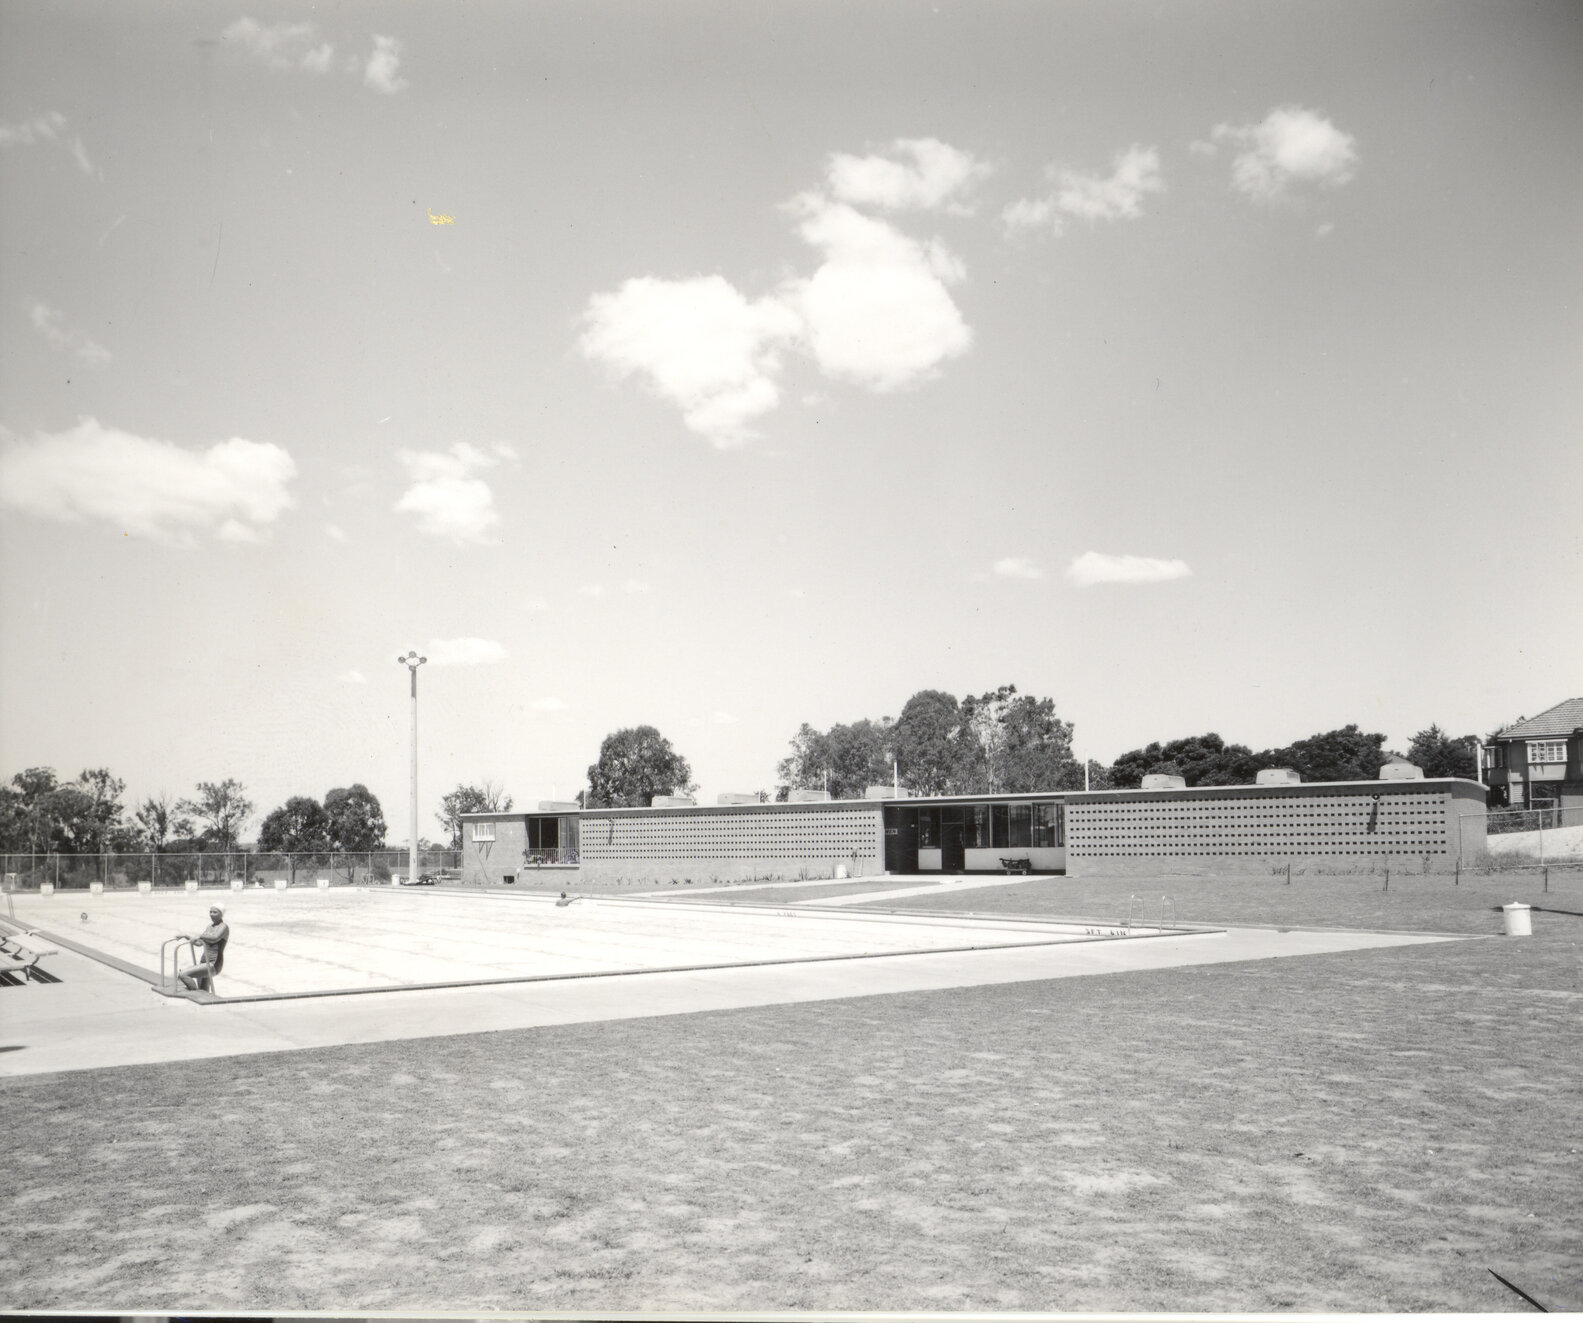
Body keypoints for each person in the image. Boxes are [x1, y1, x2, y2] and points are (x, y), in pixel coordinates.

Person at [177, 905, 230, 991]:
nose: (211, 914)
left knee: (183, 974)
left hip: (214, 963)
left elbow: (215, 938)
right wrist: (186, 936)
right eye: (210, 912)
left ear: (221, 914)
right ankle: (200, 998)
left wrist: (200, 936)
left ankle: (195, 994)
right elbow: (199, 943)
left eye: (215, 912)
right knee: (204, 990)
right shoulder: (209, 927)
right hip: (204, 962)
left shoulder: (223, 926)